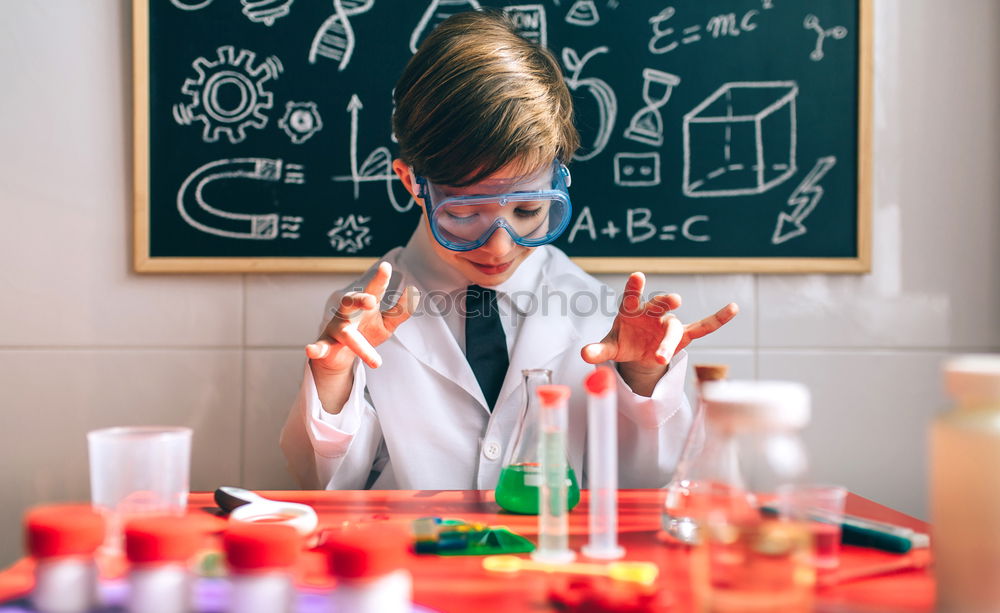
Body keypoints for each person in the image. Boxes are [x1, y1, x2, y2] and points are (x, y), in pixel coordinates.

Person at [280, 10, 738, 491]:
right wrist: (332, 383)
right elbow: (326, 489)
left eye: (527, 210)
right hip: (420, 559)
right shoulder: (356, 318)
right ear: (413, 183)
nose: (499, 245)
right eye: (463, 213)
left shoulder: (601, 315)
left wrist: (643, 382)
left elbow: (647, 487)